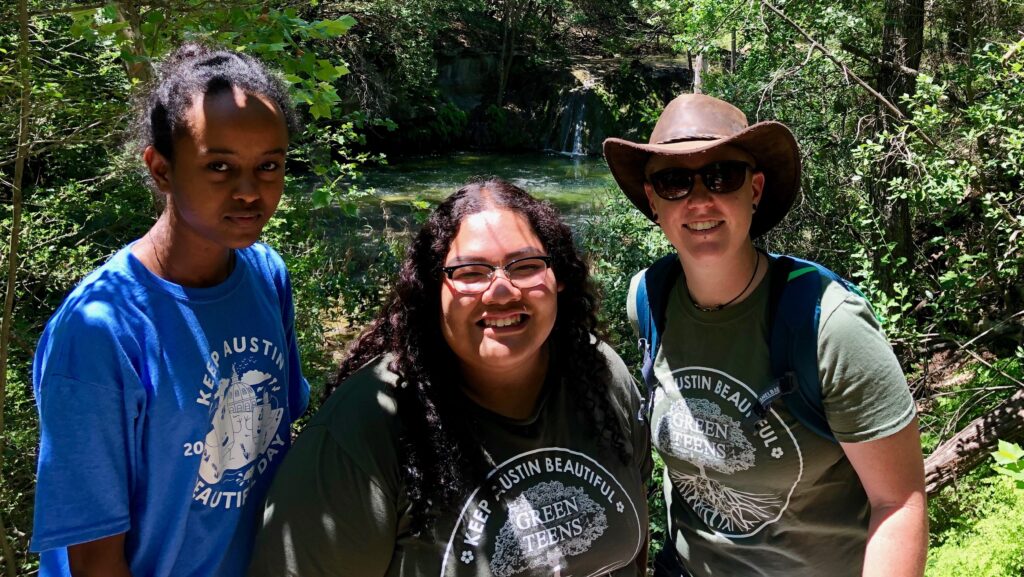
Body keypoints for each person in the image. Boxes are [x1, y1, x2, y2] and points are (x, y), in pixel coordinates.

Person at [249, 179, 651, 577]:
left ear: (558, 277)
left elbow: (633, 545)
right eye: (470, 273)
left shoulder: (599, 374)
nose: (501, 292)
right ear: (430, 289)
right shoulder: (369, 427)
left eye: (526, 266)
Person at [602, 94, 927, 577]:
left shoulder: (828, 323)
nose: (698, 200)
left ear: (754, 189)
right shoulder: (648, 299)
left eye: (721, 176)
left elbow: (898, 502)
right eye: (674, 181)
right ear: (652, 199)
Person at [30, 43, 309, 577]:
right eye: (220, 167)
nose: (250, 192)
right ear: (160, 169)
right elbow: (95, 561)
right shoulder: (100, 330)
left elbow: (273, 444)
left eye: (268, 166)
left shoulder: (265, 275)